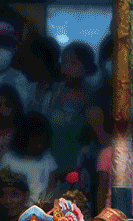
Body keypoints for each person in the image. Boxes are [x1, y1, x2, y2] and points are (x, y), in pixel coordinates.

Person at [38, 41, 98, 176]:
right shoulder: (52, 94)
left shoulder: (92, 98)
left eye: (73, 63)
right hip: (50, 167)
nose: (66, 68)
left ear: (86, 67)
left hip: (81, 170)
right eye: (64, 63)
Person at [95, 104, 133, 220]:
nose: (128, 128)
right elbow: (102, 190)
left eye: (131, 123)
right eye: (123, 124)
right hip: (112, 217)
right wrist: (99, 220)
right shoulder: (107, 153)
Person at [0, 112, 57, 204]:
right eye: (35, 140)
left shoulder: (48, 159)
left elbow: (52, 188)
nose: (39, 144)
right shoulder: (8, 160)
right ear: (23, 137)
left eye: (42, 140)